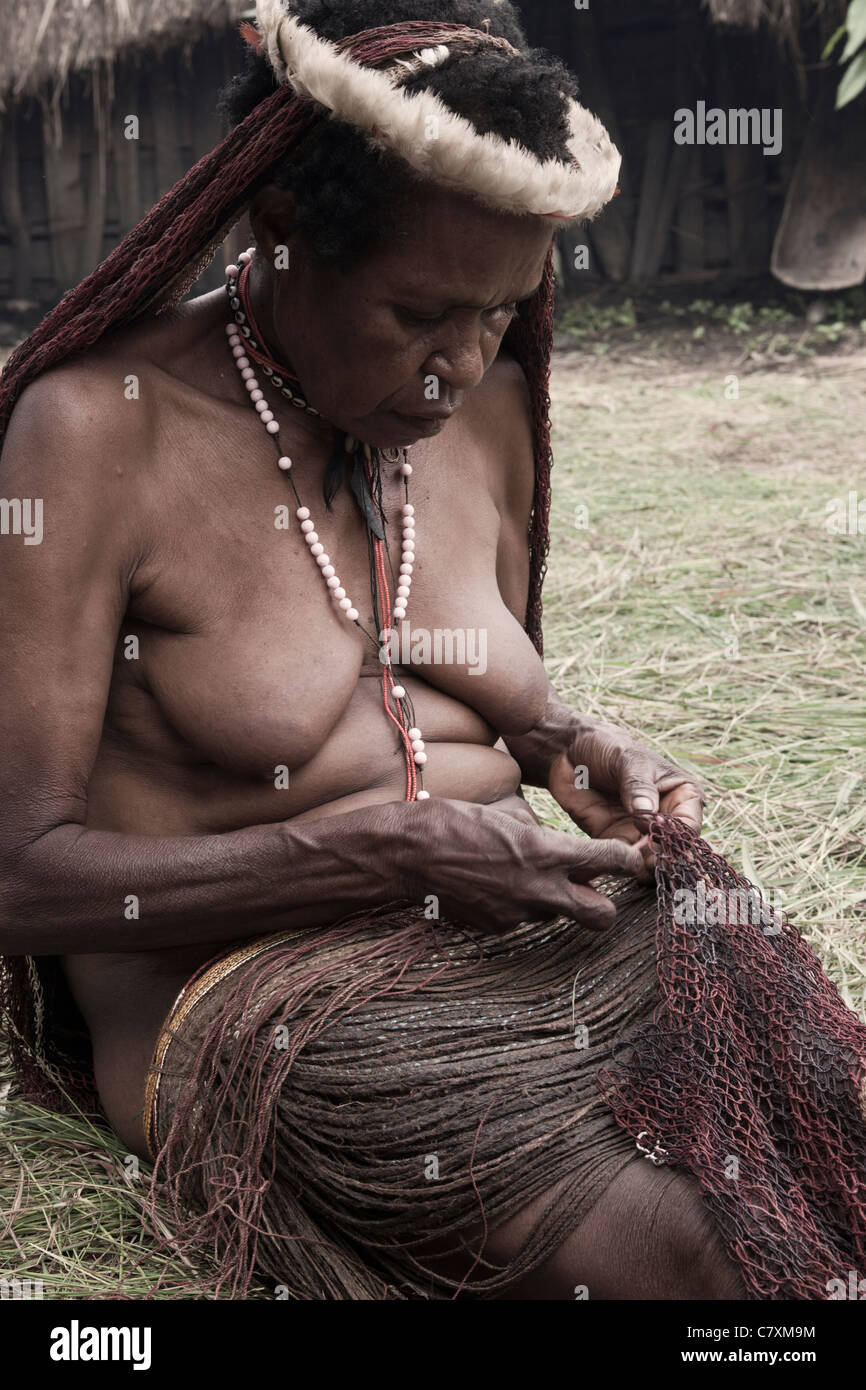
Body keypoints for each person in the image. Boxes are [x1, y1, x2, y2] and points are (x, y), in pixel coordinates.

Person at [0, 0, 749, 1299]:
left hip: (528, 945)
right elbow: (17, 877)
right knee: (687, 1247)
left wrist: (577, 746)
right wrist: (361, 855)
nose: (463, 362)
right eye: (420, 312)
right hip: (260, 1006)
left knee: (801, 1132)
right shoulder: (97, 435)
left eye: (501, 310)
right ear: (278, 236)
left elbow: (477, 699)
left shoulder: (493, 406)